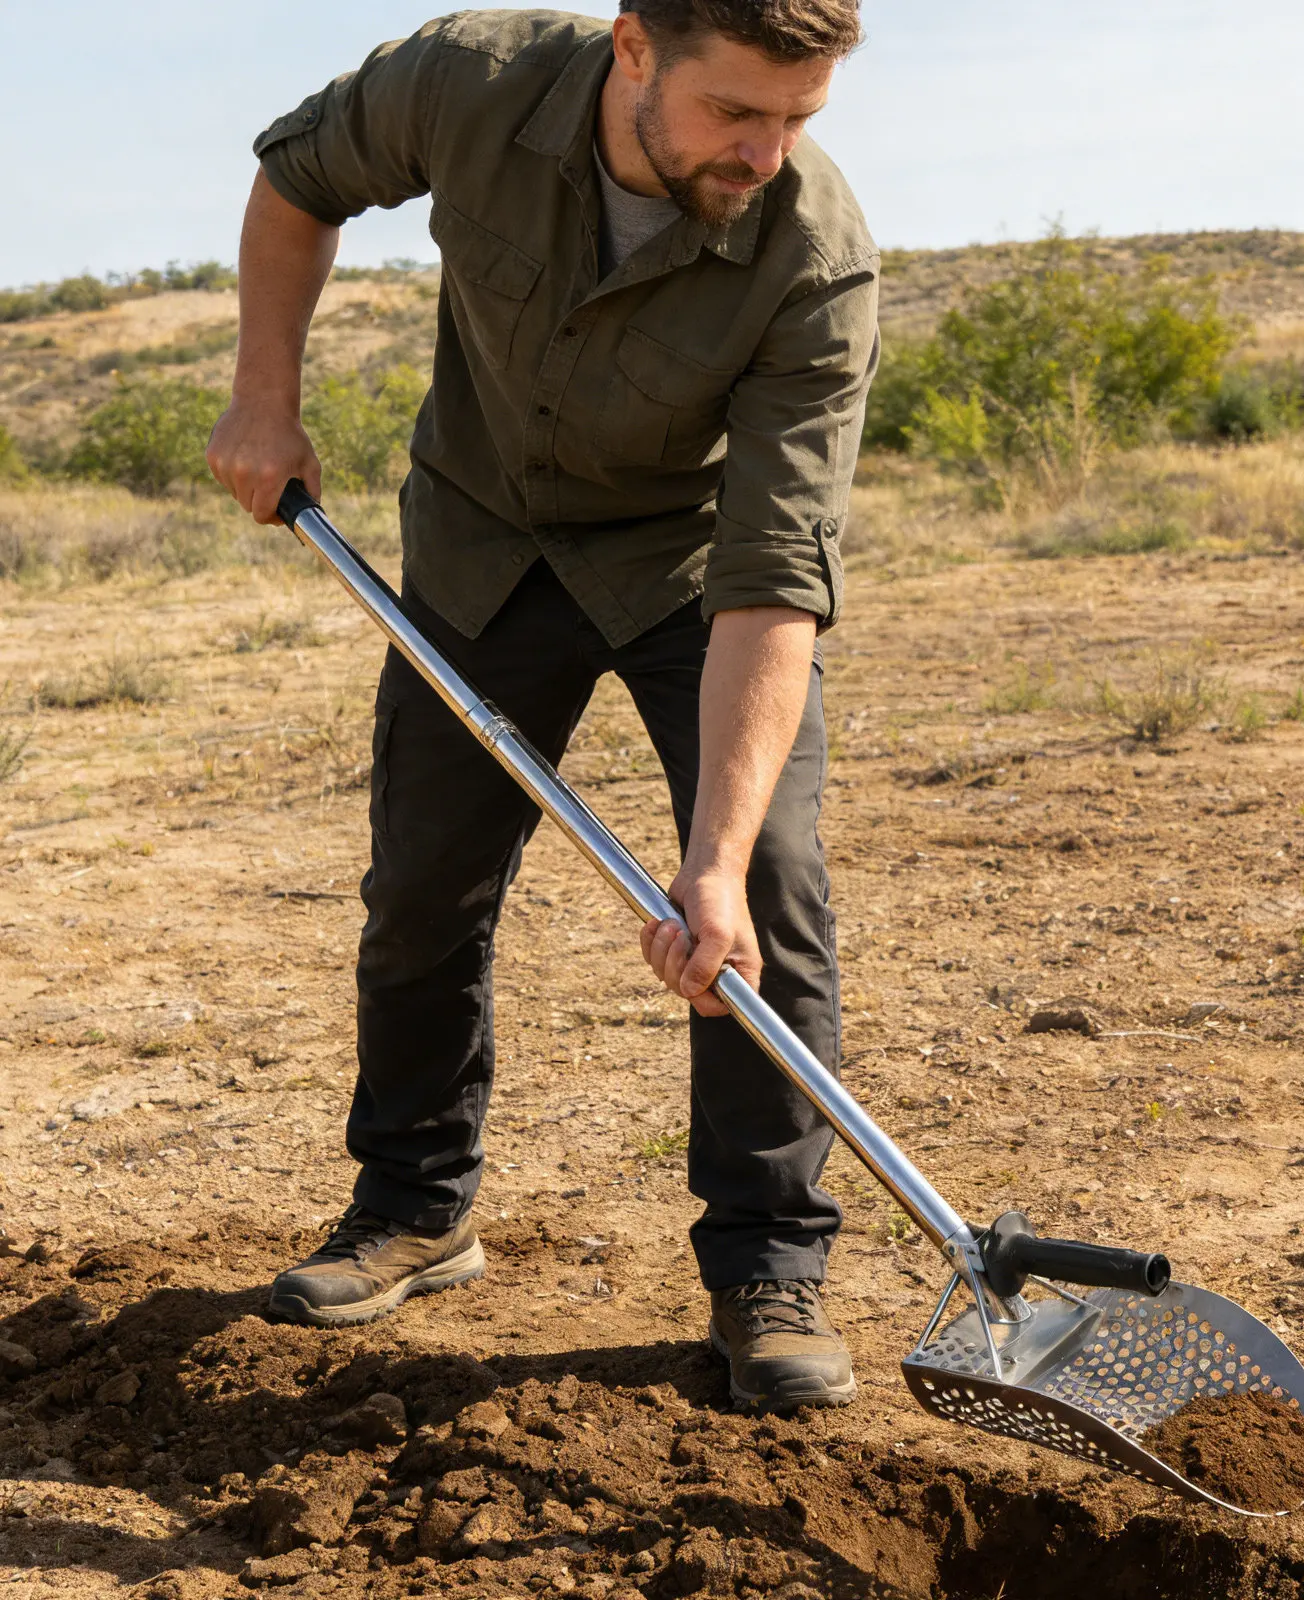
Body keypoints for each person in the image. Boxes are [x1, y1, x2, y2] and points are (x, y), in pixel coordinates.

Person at [206, 1, 876, 1413]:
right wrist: (264, 395)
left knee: (769, 896)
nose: (766, 152)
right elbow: (295, 183)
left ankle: (768, 1265)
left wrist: (714, 857)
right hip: (482, 540)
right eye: (734, 113)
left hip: (688, 571)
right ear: (634, 49)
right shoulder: (466, 81)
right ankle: (414, 1206)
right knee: (426, 889)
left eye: (797, 118)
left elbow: (774, 578)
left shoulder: (812, 254)